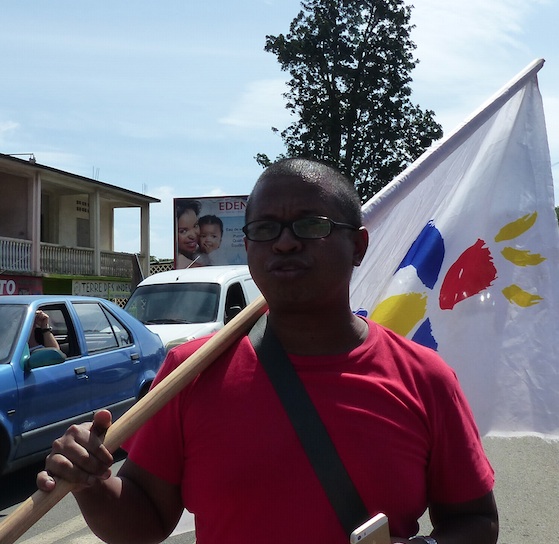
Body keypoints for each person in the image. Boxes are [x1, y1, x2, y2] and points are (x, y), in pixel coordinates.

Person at [37, 158, 498, 544]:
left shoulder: (425, 377)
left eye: (311, 225)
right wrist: (90, 484)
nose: (285, 241)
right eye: (265, 228)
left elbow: (476, 521)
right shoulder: (189, 372)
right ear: (249, 246)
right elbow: (145, 523)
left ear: (358, 245)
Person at [175, 199, 206, 268]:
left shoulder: (200, 256)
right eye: (183, 231)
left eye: (195, 226)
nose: (193, 236)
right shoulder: (194, 267)